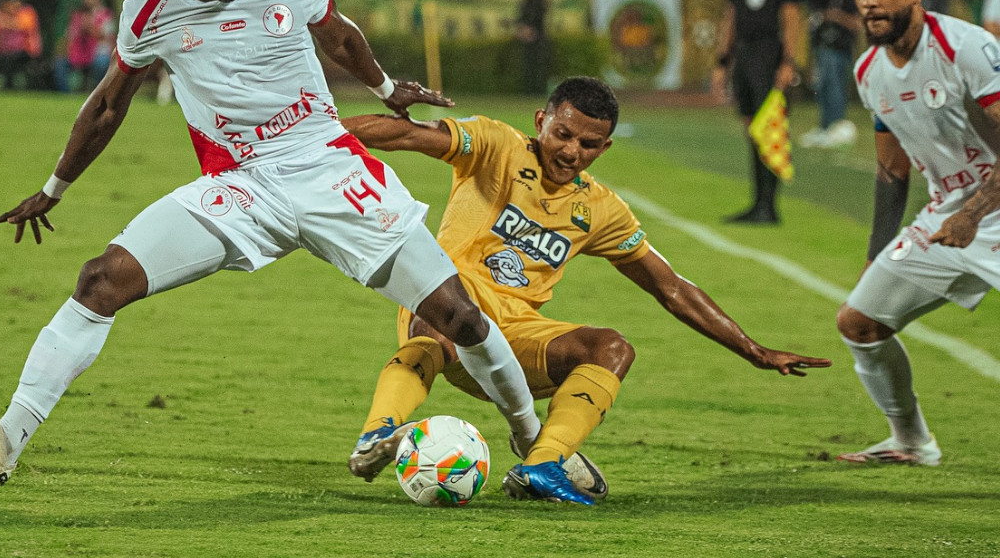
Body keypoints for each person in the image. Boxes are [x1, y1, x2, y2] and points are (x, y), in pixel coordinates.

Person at [0, 0, 543, 488]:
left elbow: (341, 36)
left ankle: (531, 441)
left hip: (331, 168)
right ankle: (4, 440)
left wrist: (385, 88)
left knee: (460, 317)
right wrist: (54, 188)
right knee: (100, 279)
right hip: (243, 186)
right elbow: (108, 105)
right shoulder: (151, 12)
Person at [341, 77, 832, 504]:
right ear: (541, 121)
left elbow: (672, 288)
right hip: (448, 312)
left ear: (606, 147)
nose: (572, 151)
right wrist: (315, 138)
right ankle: (378, 431)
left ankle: (543, 462)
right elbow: (405, 133)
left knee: (612, 347)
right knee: (444, 318)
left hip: (514, 340)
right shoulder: (494, 145)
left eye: (589, 144)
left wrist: (752, 351)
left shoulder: (600, 209)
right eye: (563, 134)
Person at [835, 0, 1000, 467]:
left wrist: (974, 215)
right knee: (860, 322)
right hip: (951, 212)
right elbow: (891, 170)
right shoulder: (869, 72)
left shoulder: (967, 48)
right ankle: (911, 442)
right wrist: (875, 253)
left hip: (985, 210)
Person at [712, 0, 801, 224]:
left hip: (769, 51)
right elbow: (732, 15)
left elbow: (790, 15)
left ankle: (769, 204)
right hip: (745, 54)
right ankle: (758, 203)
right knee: (751, 126)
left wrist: (789, 60)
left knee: (770, 127)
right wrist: (723, 61)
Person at [799, 0, 859, 148]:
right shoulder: (820, 0)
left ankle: (836, 125)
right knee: (823, 87)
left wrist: (837, 17)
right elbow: (810, 22)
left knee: (835, 87)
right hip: (821, 48)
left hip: (840, 49)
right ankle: (825, 126)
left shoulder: (848, 0)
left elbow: (856, 24)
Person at [54, 0, 114, 92]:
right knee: (60, 63)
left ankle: (97, 93)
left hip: (97, 53)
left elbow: (107, 37)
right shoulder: (77, 16)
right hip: (78, 53)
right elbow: (68, 37)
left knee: (102, 62)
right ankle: (65, 95)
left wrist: (90, 28)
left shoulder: (105, 15)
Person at [0, 0, 42, 90]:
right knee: (2, 59)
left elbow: (19, 25)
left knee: (11, 60)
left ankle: (14, 87)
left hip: (26, 52)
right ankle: (7, 87)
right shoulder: (3, 14)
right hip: (5, 53)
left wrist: (0, 18)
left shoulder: (27, 12)